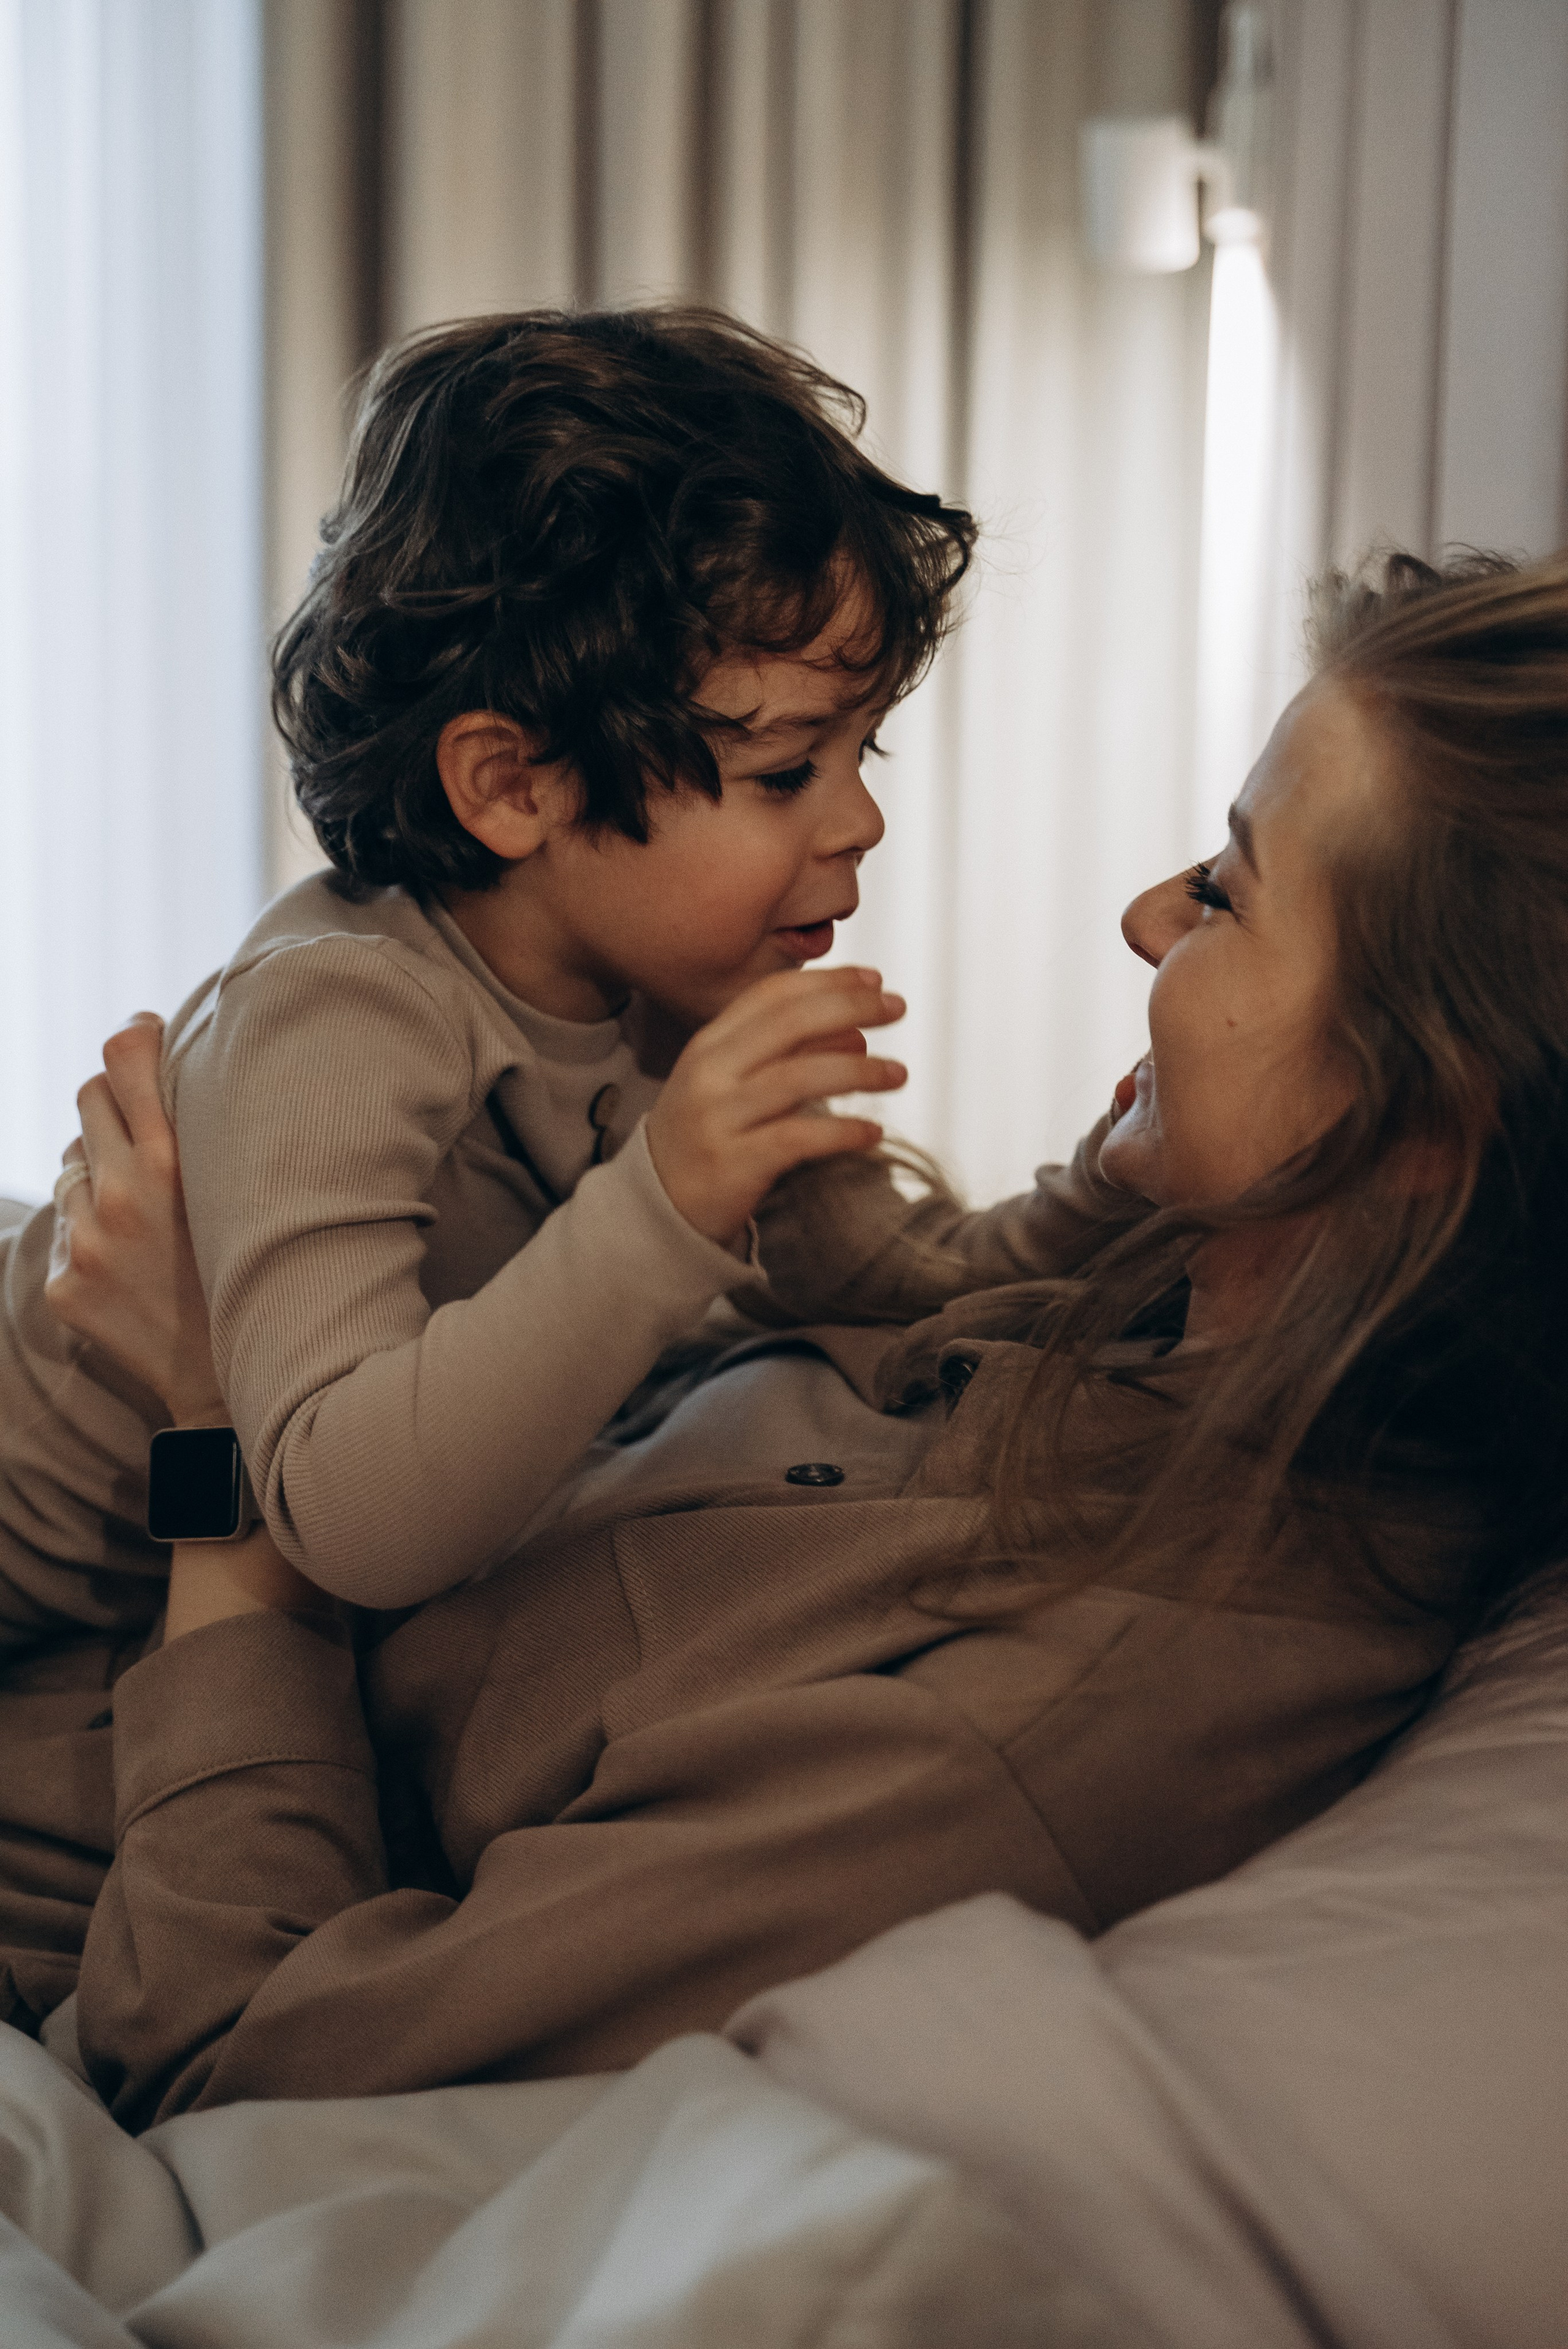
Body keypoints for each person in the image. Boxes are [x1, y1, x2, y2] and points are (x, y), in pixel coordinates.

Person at [34, 548, 1566, 2132]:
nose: (1146, 914)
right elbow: (894, 1277)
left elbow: (244, 2054)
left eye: (1229, 892)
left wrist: (211, 1435)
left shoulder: (1034, 1725)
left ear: (1425, 1121)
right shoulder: (1203, 1294)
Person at [0, 305, 974, 1640]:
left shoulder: (671, 979)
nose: (857, 819)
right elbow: (344, 1516)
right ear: (512, 785)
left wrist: (1108, 1198)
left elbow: (867, 1271)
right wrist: (658, 1204)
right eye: (786, 769)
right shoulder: (339, 1012)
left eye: (866, 753)